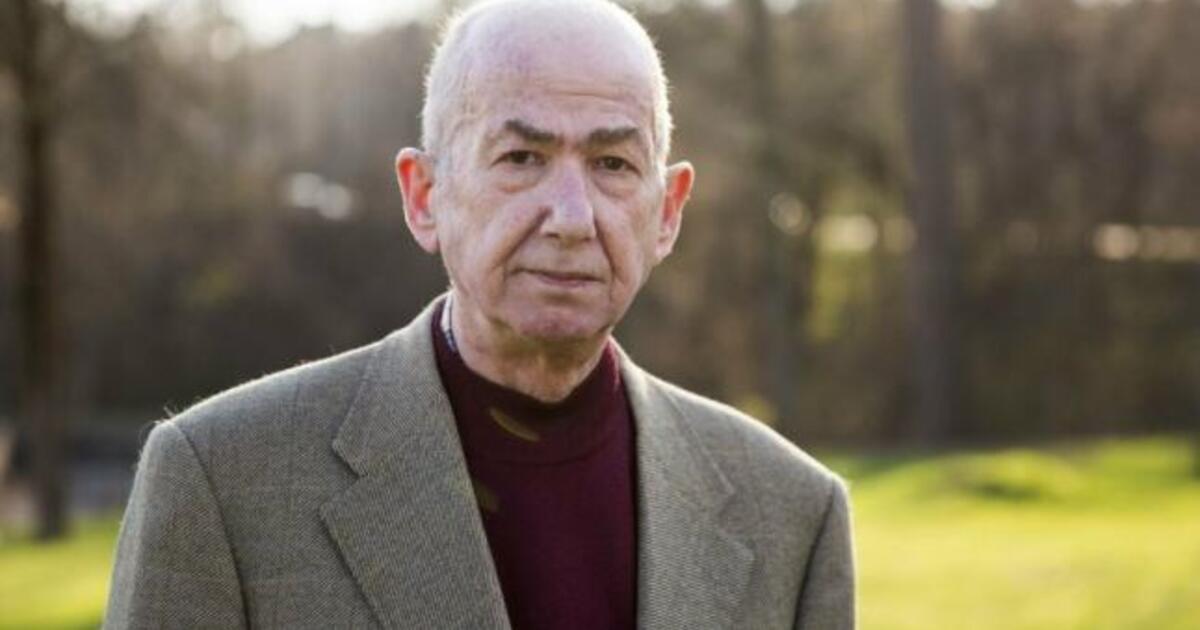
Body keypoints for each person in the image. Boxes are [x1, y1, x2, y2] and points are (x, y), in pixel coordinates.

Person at [103, 0, 855, 628]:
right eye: (521, 158)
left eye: (613, 164)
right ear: (424, 196)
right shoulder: (221, 482)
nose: (571, 217)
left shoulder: (793, 515)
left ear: (668, 212)